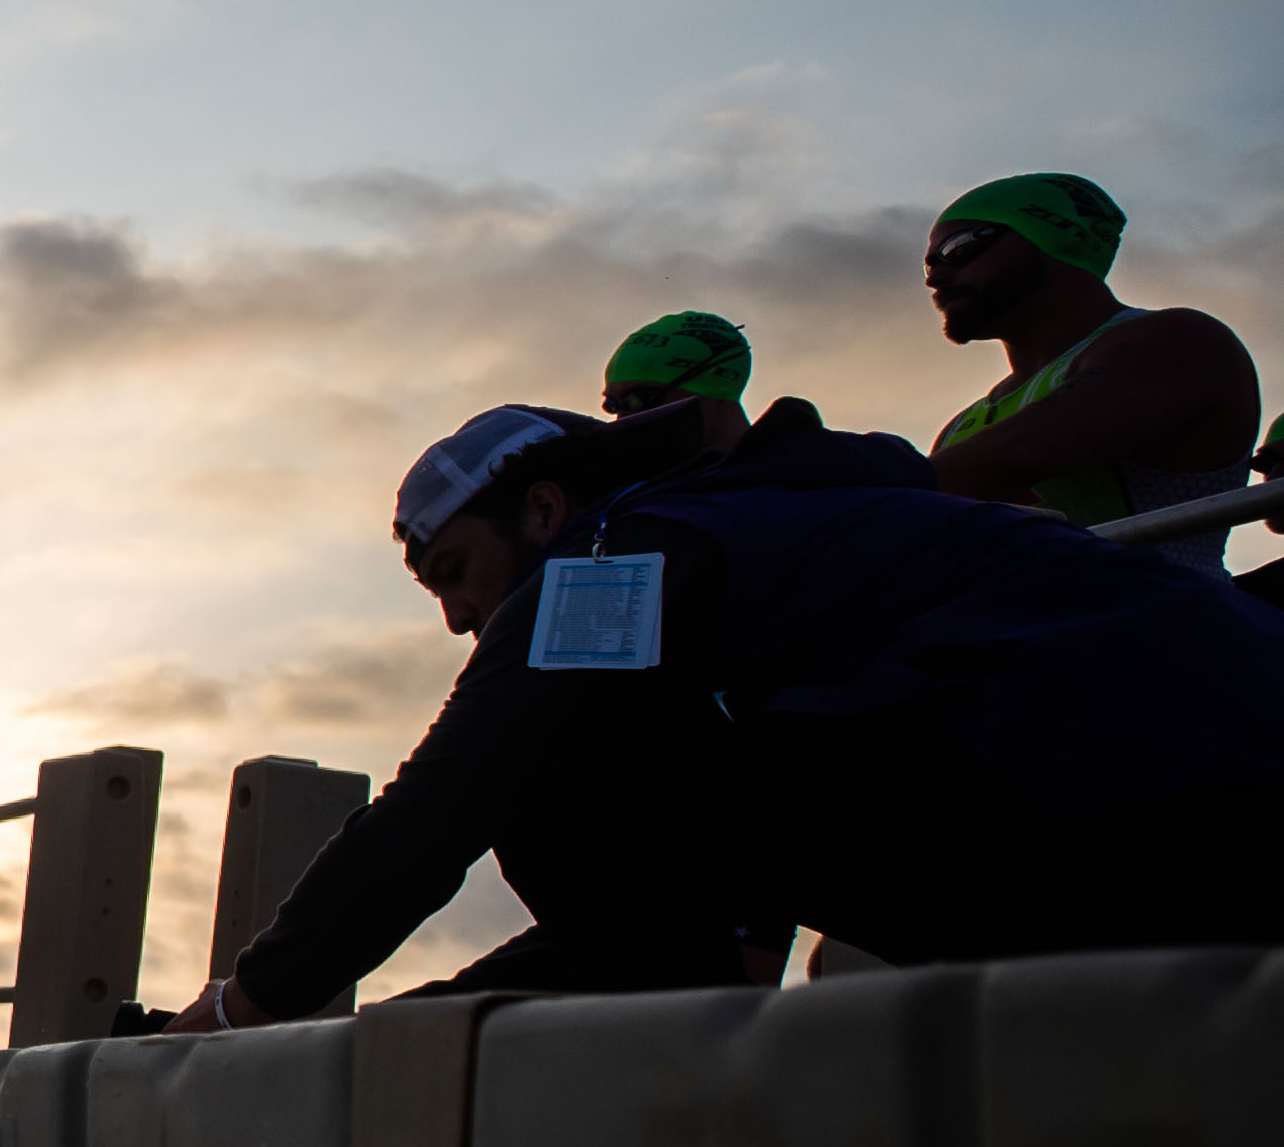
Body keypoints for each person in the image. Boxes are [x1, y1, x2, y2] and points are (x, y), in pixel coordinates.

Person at [166, 393, 1284, 1027]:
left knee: (553, 753)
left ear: (546, 508)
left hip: (1129, 783)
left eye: (455, 570)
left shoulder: (614, 558)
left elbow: (449, 798)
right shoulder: (782, 525)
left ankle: (646, 1030)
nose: (459, 616)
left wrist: (246, 1008)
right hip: (1197, 776)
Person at [924, 172, 1261, 575]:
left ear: (1056, 234)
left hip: (1163, 627)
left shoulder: (1180, 340)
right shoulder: (965, 422)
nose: (935, 277)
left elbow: (1016, 456)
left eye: (958, 249)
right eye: (930, 262)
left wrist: (846, 468)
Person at [599, 311, 751, 420]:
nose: (622, 419)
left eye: (639, 399)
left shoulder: (771, 464)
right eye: (611, 405)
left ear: (718, 381)